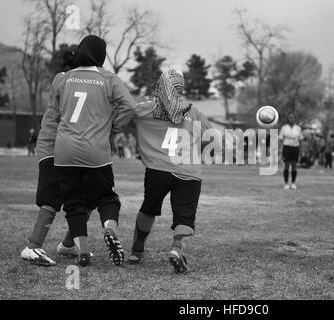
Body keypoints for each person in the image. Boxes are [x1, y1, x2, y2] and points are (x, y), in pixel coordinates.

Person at [51, 35, 136, 266]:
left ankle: (83, 250)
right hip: (95, 150)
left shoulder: (64, 78)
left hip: (65, 150)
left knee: (74, 203)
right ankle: (109, 228)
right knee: (107, 196)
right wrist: (115, 127)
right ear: (101, 55)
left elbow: (56, 112)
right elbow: (129, 106)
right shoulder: (109, 78)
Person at [128, 69, 213, 273]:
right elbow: (210, 137)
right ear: (181, 88)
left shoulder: (148, 108)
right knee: (184, 217)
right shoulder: (193, 111)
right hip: (188, 171)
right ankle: (177, 248)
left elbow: (125, 113)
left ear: (160, 85)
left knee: (149, 208)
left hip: (158, 169)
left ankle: (137, 250)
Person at [20, 49, 90, 266]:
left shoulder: (71, 80)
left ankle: (68, 244)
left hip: (70, 147)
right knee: (52, 197)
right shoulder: (64, 79)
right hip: (54, 146)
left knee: (86, 197)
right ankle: (32, 247)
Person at [279, 113, 303, 190]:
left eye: (292, 118)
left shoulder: (298, 128)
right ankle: (286, 183)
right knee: (286, 165)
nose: (291, 119)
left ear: (294, 119)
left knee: (294, 166)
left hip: (295, 148)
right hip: (286, 148)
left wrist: (301, 150)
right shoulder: (284, 128)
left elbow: (301, 139)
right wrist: (280, 149)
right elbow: (280, 139)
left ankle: (293, 183)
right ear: (288, 119)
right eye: (290, 117)